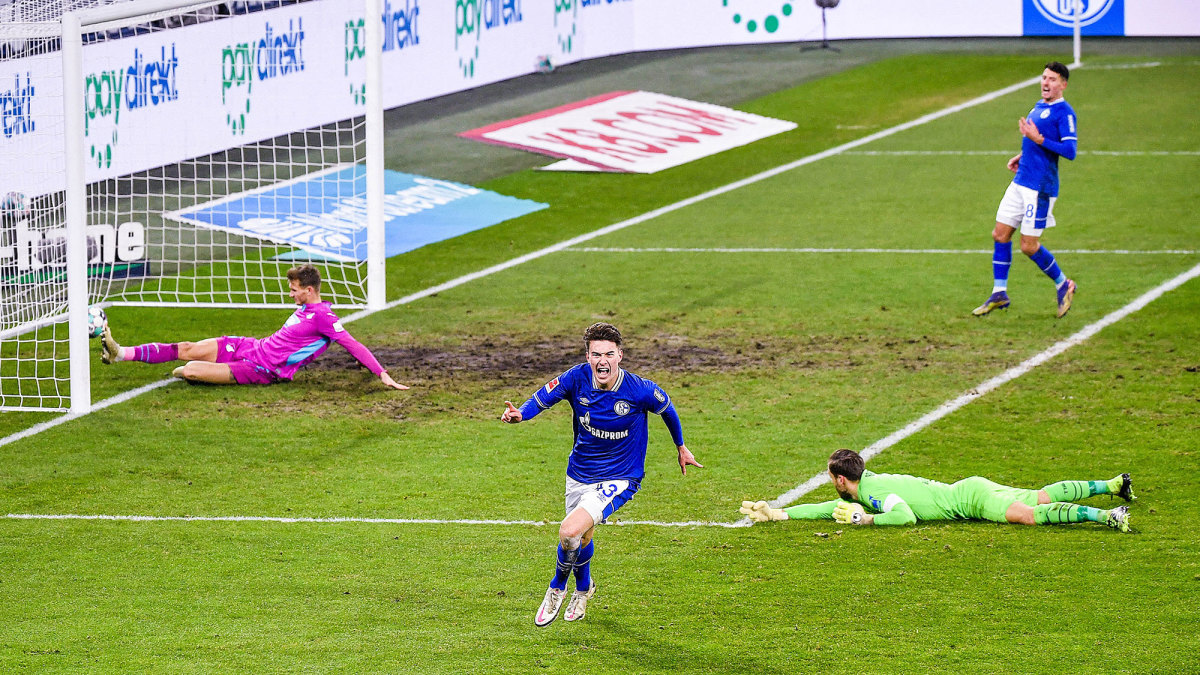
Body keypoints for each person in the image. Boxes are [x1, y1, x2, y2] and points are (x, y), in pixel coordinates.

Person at [501, 322, 702, 627]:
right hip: (579, 472)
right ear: (588, 356)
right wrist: (521, 414)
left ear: (620, 356)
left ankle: (556, 587)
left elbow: (668, 409)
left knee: (569, 531)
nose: (602, 360)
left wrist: (681, 446)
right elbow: (541, 398)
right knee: (581, 538)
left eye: (609, 353)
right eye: (596, 354)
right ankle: (584, 590)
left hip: (621, 477)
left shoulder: (640, 390)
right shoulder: (576, 378)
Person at [100, 264, 407, 390]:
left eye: (295, 288)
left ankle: (196, 369)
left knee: (189, 370)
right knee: (188, 348)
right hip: (250, 346)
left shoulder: (325, 318)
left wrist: (382, 374)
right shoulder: (302, 308)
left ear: (310, 290)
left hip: (264, 370)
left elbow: (353, 344)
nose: (291, 293)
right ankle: (120, 353)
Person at [740, 448, 1133, 532]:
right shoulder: (867, 482)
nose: (830, 485)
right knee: (1041, 495)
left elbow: (904, 515)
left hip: (973, 499)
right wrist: (780, 512)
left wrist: (868, 520)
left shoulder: (873, 497)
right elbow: (832, 507)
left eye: (830, 478)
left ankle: (1107, 515)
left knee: (1029, 514)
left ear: (842, 480)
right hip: (971, 486)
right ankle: (1113, 485)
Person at [973, 61, 1079, 319]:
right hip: (1020, 181)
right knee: (1000, 234)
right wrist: (1023, 154)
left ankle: (1063, 283)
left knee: (1029, 246)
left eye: (1052, 79)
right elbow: (1037, 142)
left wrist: (1039, 140)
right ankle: (999, 293)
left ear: (1063, 84)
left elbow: (1070, 151)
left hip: (1039, 188)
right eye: (1044, 78)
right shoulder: (1039, 106)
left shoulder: (1064, 113)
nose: (1046, 83)